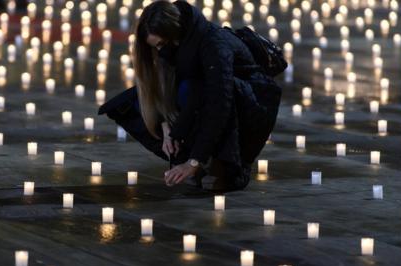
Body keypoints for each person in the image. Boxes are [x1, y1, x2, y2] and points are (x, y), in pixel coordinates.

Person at [98, 0, 281, 191]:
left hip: (248, 105)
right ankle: (198, 158)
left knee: (193, 90)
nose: (160, 52)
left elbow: (219, 102)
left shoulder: (213, 45)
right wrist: (167, 129)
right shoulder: (179, 47)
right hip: (207, 98)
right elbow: (164, 91)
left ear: (173, 35)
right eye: (156, 47)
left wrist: (194, 161)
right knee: (134, 102)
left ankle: (224, 164)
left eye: (161, 45)